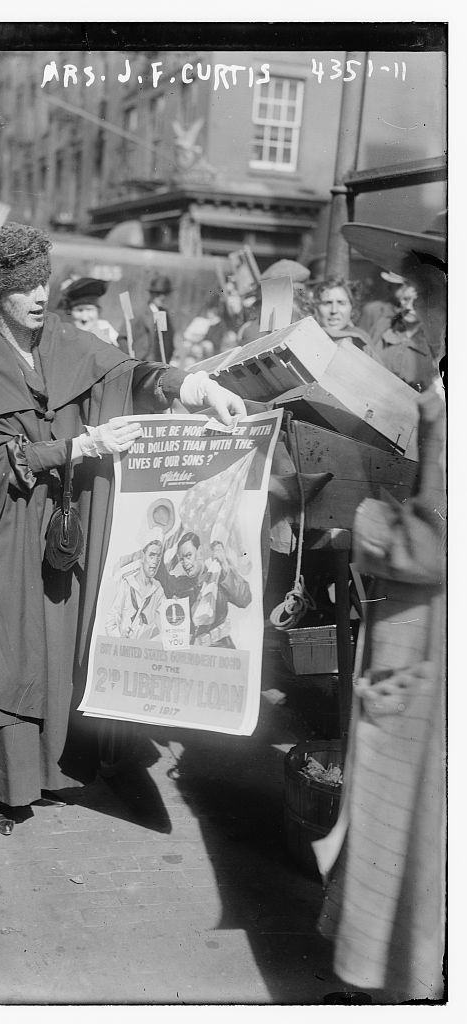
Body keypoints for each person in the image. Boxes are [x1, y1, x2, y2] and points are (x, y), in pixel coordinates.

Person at [0, 222, 246, 834]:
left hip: (59, 530)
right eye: (24, 289)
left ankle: (47, 776)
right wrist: (77, 446)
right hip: (2, 535)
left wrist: (199, 387)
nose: (40, 296)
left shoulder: (65, 340)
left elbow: (131, 374)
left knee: (52, 648)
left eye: (43, 282)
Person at [310, 213, 447, 1001]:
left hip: (427, 647)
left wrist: (360, 515)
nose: (415, 322)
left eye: (422, 304)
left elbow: (435, 542)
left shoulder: (449, 404)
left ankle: (405, 989)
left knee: (413, 823)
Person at [162, 533, 251, 647]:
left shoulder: (219, 576)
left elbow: (245, 599)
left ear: (199, 552)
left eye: (188, 555)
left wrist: (224, 565)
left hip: (220, 650)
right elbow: (162, 579)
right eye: (181, 559)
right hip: (192, 654)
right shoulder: (180, 585)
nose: (185, 563)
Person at [105, 534, 165, 640]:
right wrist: (119, 637)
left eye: (158, 557)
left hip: (143, 651)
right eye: (152, 555)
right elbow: (110, 620)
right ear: (142, 556)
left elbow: (164, 623)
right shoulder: (126, 584)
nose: (155, 562)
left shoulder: (158, 590)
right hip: (124, 647)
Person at [311, 275, 376, 357]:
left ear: (352, 307)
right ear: (316, 307)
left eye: (341, 303)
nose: (334, 310)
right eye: (327, 303)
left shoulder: (361, 340)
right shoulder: (309, 336)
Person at [119, 274, 175, 363]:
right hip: (140, 363)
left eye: (165, 294)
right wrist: (130, 359)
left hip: (159, 365)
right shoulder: (138, 313)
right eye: (158, 294)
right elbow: (122, 338)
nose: (162, 297)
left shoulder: (162, 314)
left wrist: (166, 362)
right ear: (151, 294)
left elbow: (166, 343)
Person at [60, 277, 119, 346]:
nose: (84, 318)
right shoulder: (63, 333)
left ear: (98, 312)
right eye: (80, 310)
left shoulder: (107, 332)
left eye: (89, 310)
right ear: (69, 312)